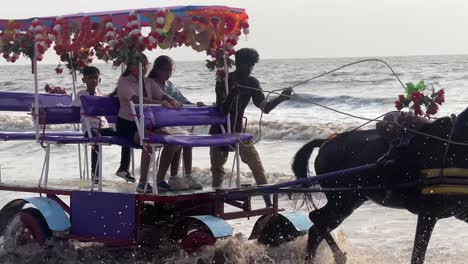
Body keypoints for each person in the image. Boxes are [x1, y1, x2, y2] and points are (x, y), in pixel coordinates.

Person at [209, 48, 292, 202]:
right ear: (239, 64)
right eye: (248, 65)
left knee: (257, 165)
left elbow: (264, 107)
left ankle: (268, 204)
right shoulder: (223, 80)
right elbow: (222, 111)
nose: (250, 69)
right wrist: (231, 96)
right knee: (217, 172)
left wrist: (281, 98)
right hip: (219, 132)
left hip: (238, 133)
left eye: (252, 65)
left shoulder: (252, 82)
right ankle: (215, 205)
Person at [115, 54, 183, 193]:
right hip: (128, 124)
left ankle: (160, 179)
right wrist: (160, 103)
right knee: (149, 140)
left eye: (145, 64)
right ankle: (143, 182)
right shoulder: (124, 81)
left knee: (174, 141)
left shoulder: (148, 82)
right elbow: (135, 99)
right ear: (130, 66)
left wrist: (171, 100)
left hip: (148, 122)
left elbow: (162, 94)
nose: (144, 68)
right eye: (140, 65)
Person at [147, 55, 203, 189]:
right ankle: (160, 179)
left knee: (187, 139)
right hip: (153, 124)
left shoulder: (170, 85)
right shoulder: (150, 83)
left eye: (171, 70)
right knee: (174, 142)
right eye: (165, 70)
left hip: (169, 125)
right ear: (157, 69)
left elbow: (181, 99)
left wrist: (195, 105)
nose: (168, 73)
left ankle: (185, 176)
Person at [72, 66, 116, 184]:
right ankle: (95, 174)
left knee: (123, 132)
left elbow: (109, 101)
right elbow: (74, 108)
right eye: (90, 78)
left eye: (96, 78)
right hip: (89, 128)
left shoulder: (101, 93)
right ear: (84, 80)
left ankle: (123, 169)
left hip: (103, 127)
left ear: (99, 80)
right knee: (95, 138)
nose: (93, 81)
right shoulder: (81, 95)